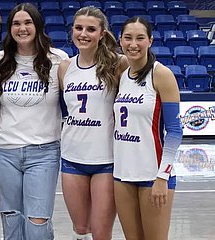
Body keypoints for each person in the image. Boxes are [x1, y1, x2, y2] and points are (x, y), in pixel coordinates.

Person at [0, 3, 68, 240]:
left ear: (38, 25)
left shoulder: (58, 60)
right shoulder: (0, 59)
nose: (22, 28)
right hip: (3, 151)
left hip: (44, 152)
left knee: (37, 222)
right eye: (16, 23)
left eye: (27, 22)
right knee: (11, 221)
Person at [57, 7, 129, 240]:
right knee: (81, 230)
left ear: (102, 33)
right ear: (72, 31)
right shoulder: (65, 67)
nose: (83, 34)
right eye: (79, 28)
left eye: (91, 29)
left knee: (100, 232)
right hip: (72, 157)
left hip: (106, 159)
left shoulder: (119, 64)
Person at [114, 16, 183, 240]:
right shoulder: (121, 76)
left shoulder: (161, 74)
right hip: (123, 174)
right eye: (128, 38)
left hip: (152, 174)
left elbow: (174, 130)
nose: (133, 44)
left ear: (150, 41)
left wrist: (162, 177)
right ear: (120, 40)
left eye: (140, 38)